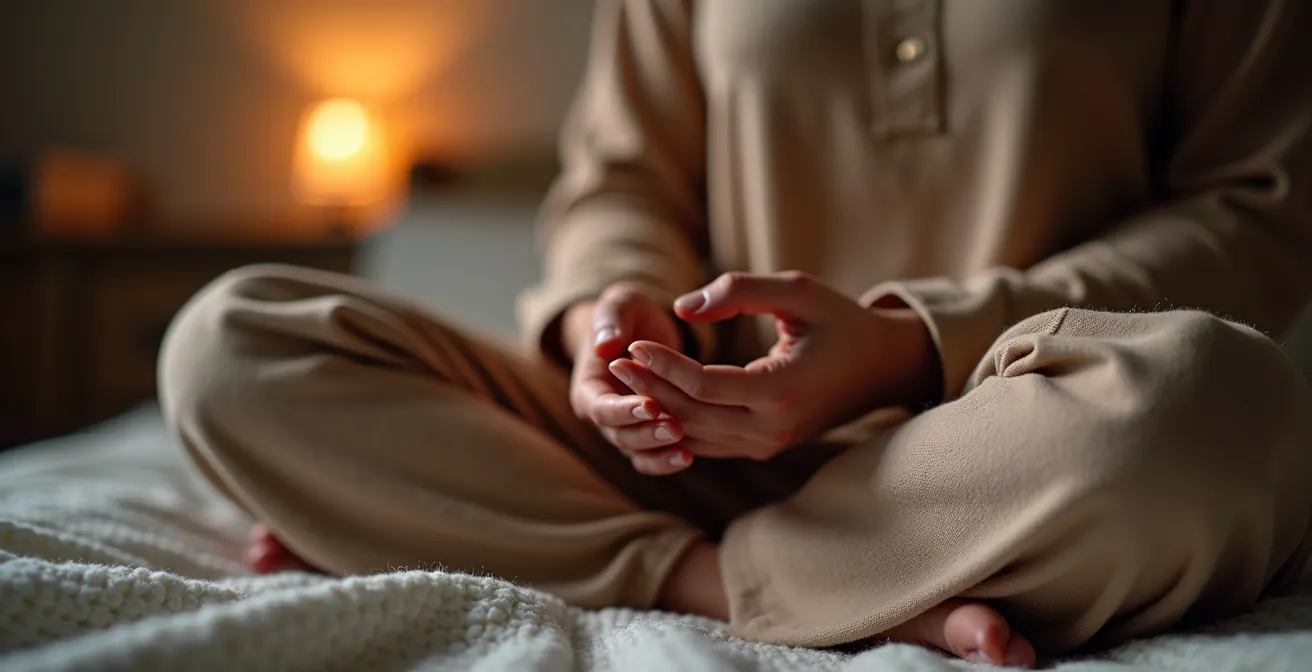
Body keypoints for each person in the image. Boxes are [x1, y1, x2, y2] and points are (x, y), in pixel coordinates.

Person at [159, 0, 1312, 666]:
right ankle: (772, 585)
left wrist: (910, 343)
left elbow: (1256, 208)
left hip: (999, 454)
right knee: (230, 340)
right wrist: (608, 315)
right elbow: (621, 180)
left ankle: (538, 538)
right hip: (690, 454)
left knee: (1216, 402)